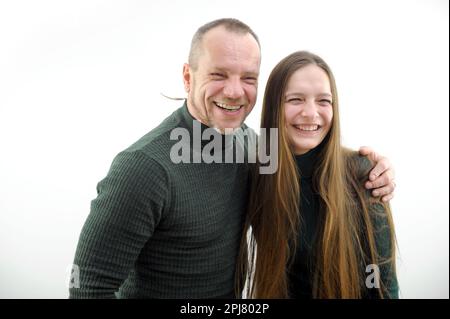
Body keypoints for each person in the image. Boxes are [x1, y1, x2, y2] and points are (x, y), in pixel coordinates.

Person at [69, 19, 396, 299]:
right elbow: (89, 288)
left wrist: (365, 168)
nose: (235, 91)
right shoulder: (145, 168)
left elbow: (305, 159)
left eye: (248, 78)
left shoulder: (253, 146)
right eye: (219, 75)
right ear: (187, 77)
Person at [238, 51, 398, 299]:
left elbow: (383, 284)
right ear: (274, 107)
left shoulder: (364, 175)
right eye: (295, 99)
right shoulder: (258, 173)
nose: (311, 113)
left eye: (323, 101)